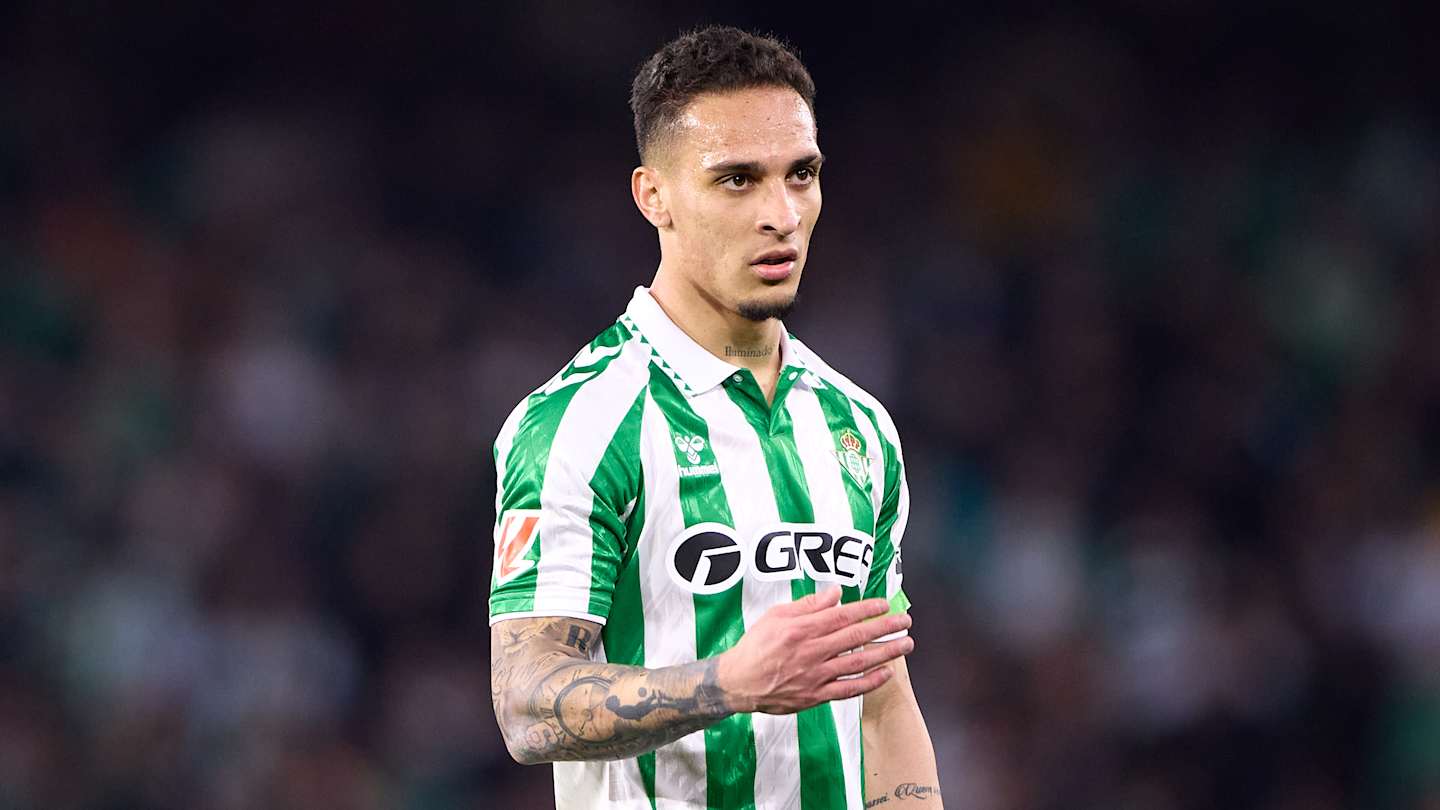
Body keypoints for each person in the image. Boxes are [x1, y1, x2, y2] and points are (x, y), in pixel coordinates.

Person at [489, 25, 942, 810]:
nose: (782, 214)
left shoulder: (859, 427)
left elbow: (882, 700)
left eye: (802, 174)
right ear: (653, 197)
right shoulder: (580, 422)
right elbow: (527, 705)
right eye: (737, 180)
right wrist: (731, 682)